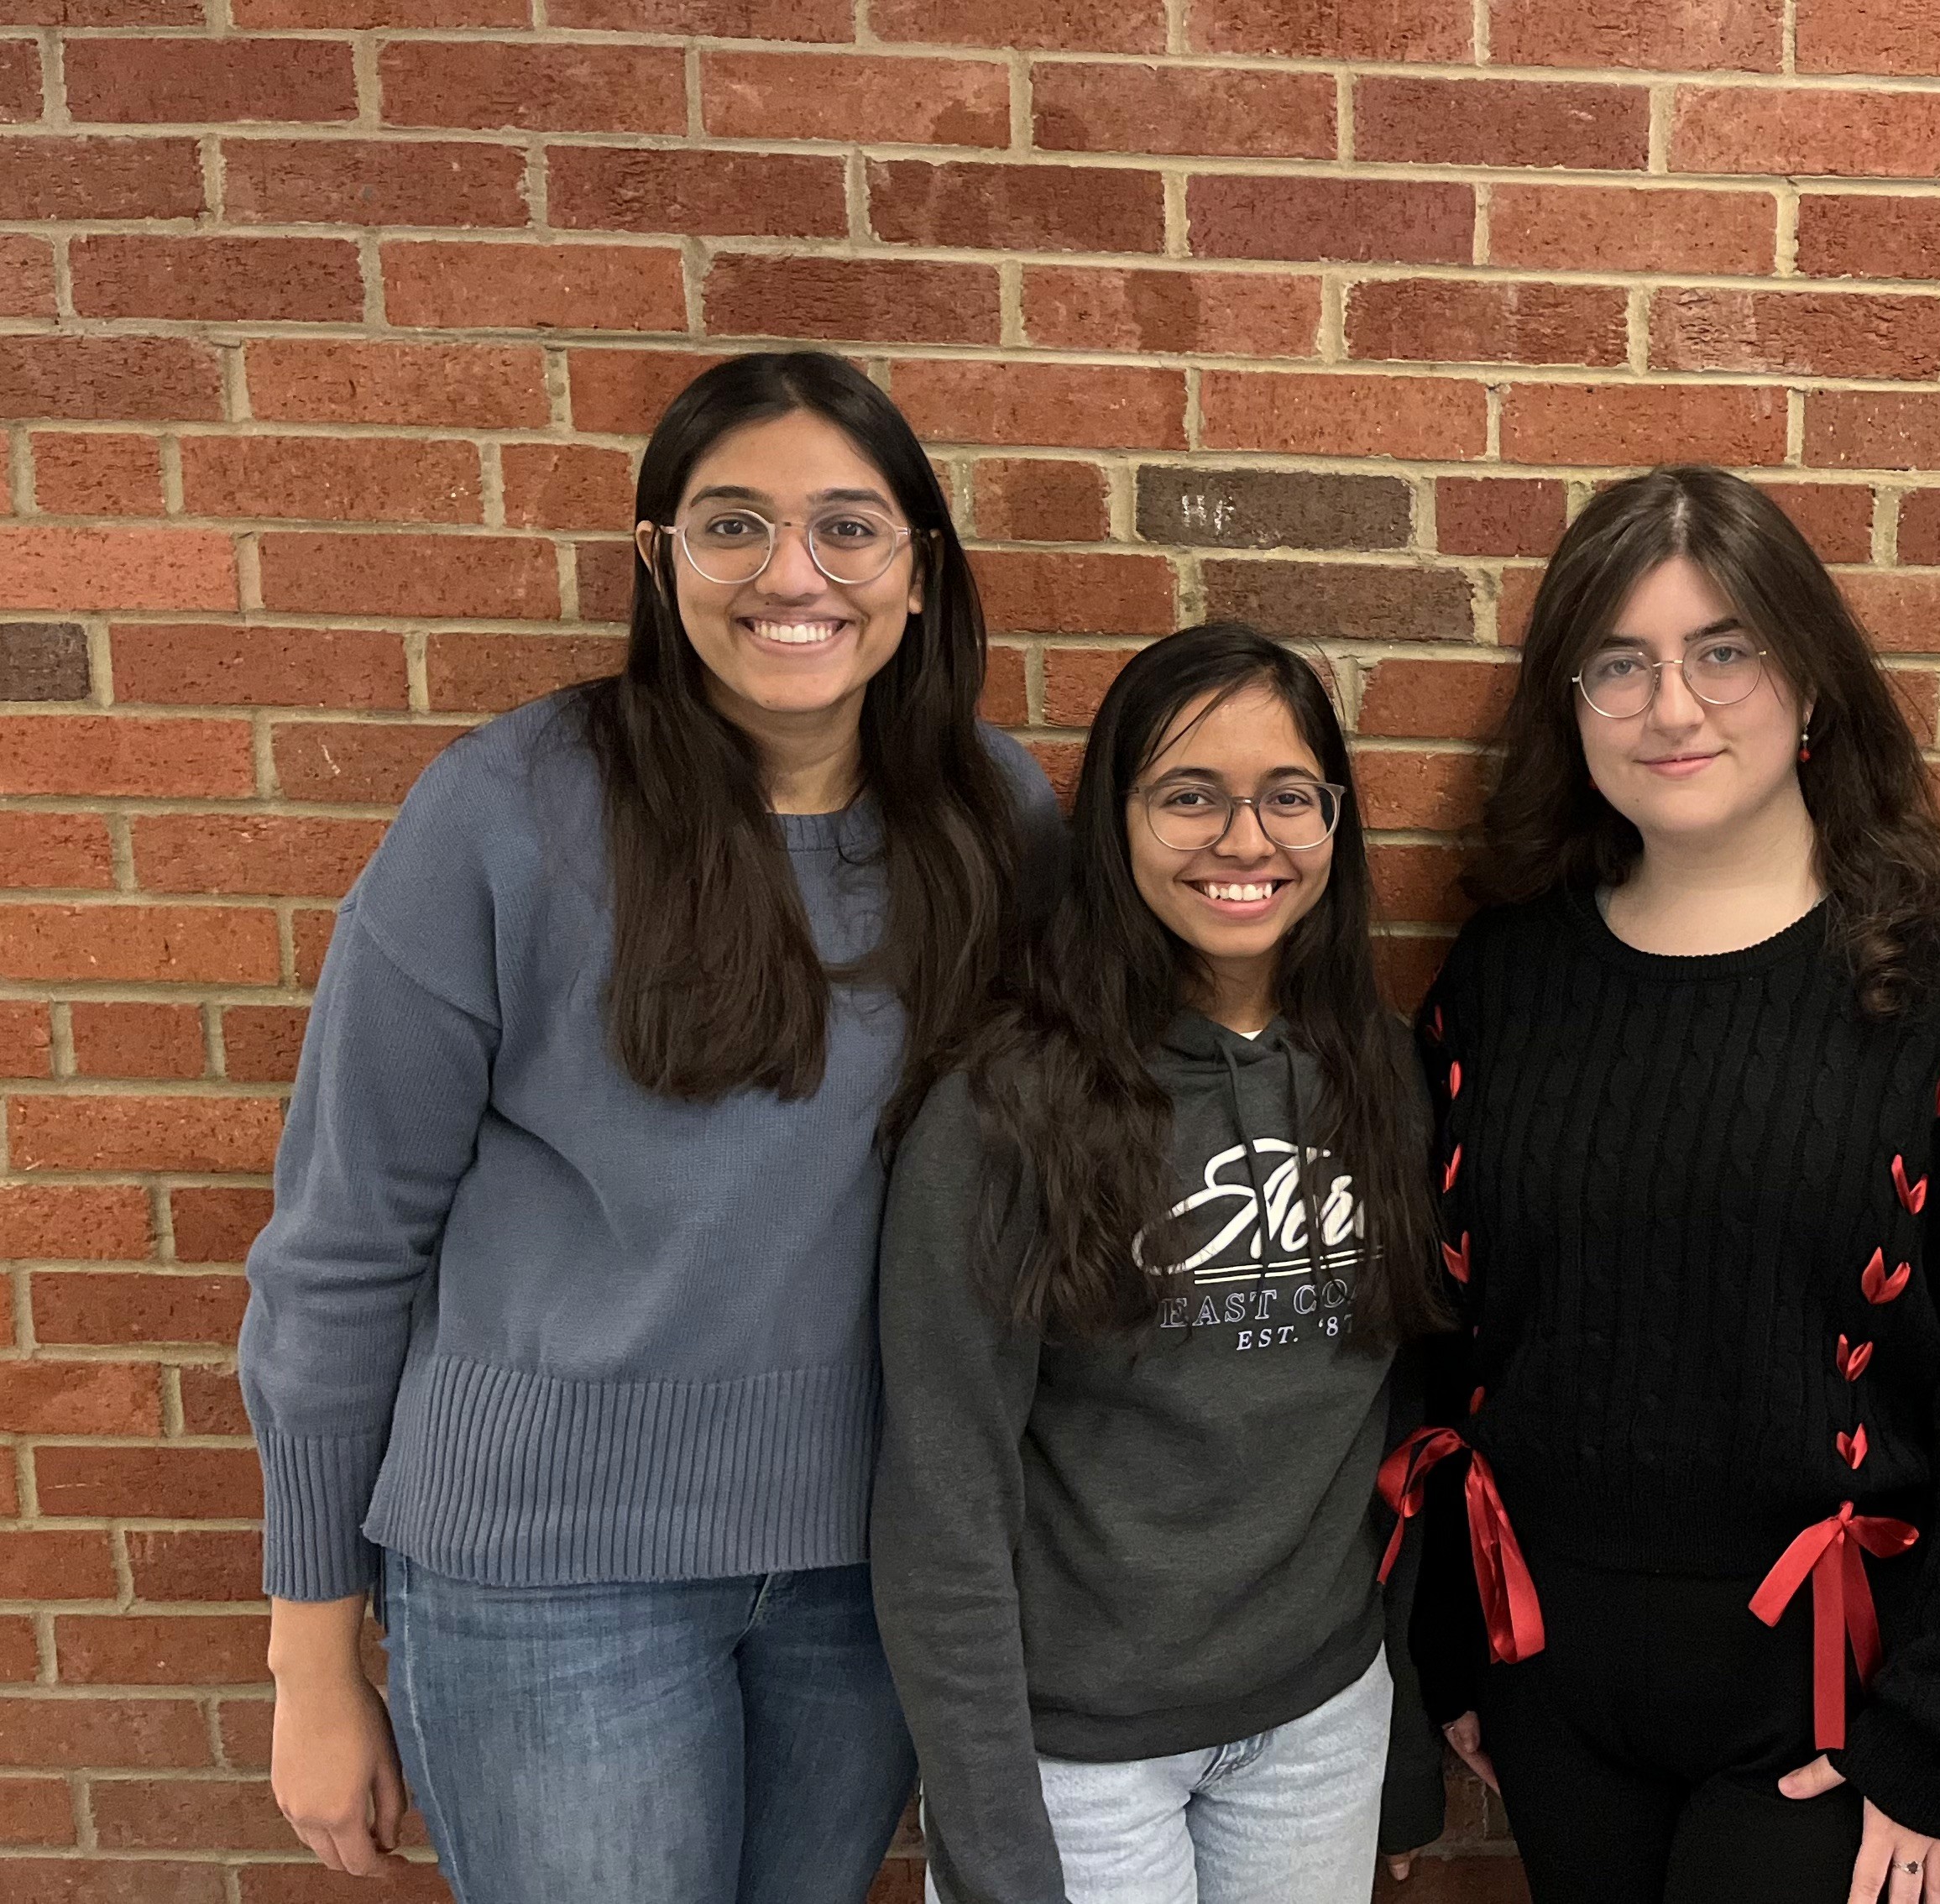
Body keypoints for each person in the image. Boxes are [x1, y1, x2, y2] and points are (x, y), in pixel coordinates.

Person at [238, 351, 1060, 1901]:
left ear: (919, 567)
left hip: (868, 1570)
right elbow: (342, 1246)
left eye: (848, 528)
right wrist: (313, 1657)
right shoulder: (503, 811)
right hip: (547, 1581)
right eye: (733, 525)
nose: (792, 576)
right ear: (657, 556)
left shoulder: (994, 821)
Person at [1408, 467, 1940, 1904]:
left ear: (1812, 681)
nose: (1673, 707)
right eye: (1621, 664)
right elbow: (1453, 1339)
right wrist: (1454, 1640)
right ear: (1568, 703)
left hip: (1832, 1704)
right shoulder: (1502, 978)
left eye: (1724, 652)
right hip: (1554, 1682)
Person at [871, 625, 1447, 1904]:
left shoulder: (1382, 1076)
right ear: (1115, 824)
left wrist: (1402, 1728)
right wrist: (987, 1837)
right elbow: (942, 1502)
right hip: (1078, 1759)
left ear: (1335, 821)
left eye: (1288, 796)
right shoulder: (1005, 1109)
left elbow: (1398, 1440)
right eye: (1190, 796)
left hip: (1318, 1720)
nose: (1245, 840)